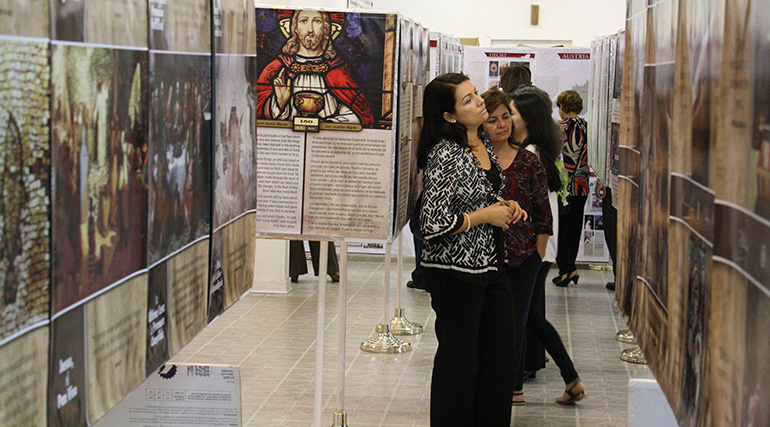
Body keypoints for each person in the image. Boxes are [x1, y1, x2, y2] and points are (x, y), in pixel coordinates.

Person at [418, 73, 527, 426]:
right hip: (455, 275)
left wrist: (505, 205)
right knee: (459, 364)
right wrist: (485, 216)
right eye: (468, 100)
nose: (480, 102)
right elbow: (432, 223)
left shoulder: (479, 141)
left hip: (490, 266)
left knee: (499, 358)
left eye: (475, 94)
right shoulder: (444, 154)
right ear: (449, 116)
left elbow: (478, 192)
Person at [509, 85, 587, 405]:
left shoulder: (530, 153)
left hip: (532, 249)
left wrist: (536, 253)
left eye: (511, 113)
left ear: (526, 118)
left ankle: (517, 387)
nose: (505, 119)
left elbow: (535, 209)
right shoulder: (540, 147)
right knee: (527, 317)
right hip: (535, 249)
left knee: (523, 317)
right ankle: (569, 379)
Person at [481, 88, 552, 406]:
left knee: (517, 324)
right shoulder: (475, 160)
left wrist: (535, 257)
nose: (501, 125)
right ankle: (489, 382)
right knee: (487, 325)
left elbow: (543, 216)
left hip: (523, 259)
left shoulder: (528, 161)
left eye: (506, 117)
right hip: (483, 258)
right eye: (493, 119)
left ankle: (513, 387)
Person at [255, 10, 374, 125]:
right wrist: (279, 102)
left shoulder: (338, 70)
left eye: (317, 21)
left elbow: (359, 113)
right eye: (303, 21)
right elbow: (255, 111)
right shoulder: (278, 67)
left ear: (326, 29)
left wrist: (328, 124)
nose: (310, 29)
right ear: (295, 28)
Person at [553, 90, 589, 287]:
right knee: (575, 227)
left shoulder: (561, 127)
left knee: (561, 228)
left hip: (564, 186)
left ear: (562, 107)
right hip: (581, 185)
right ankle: (571, 267)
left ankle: (566, 269)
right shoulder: (586, 126)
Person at [595, 181, 618, 290]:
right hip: (613, 185)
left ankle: (623, 277)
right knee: (611, 232)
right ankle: (619, 276)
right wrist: (602, 181)